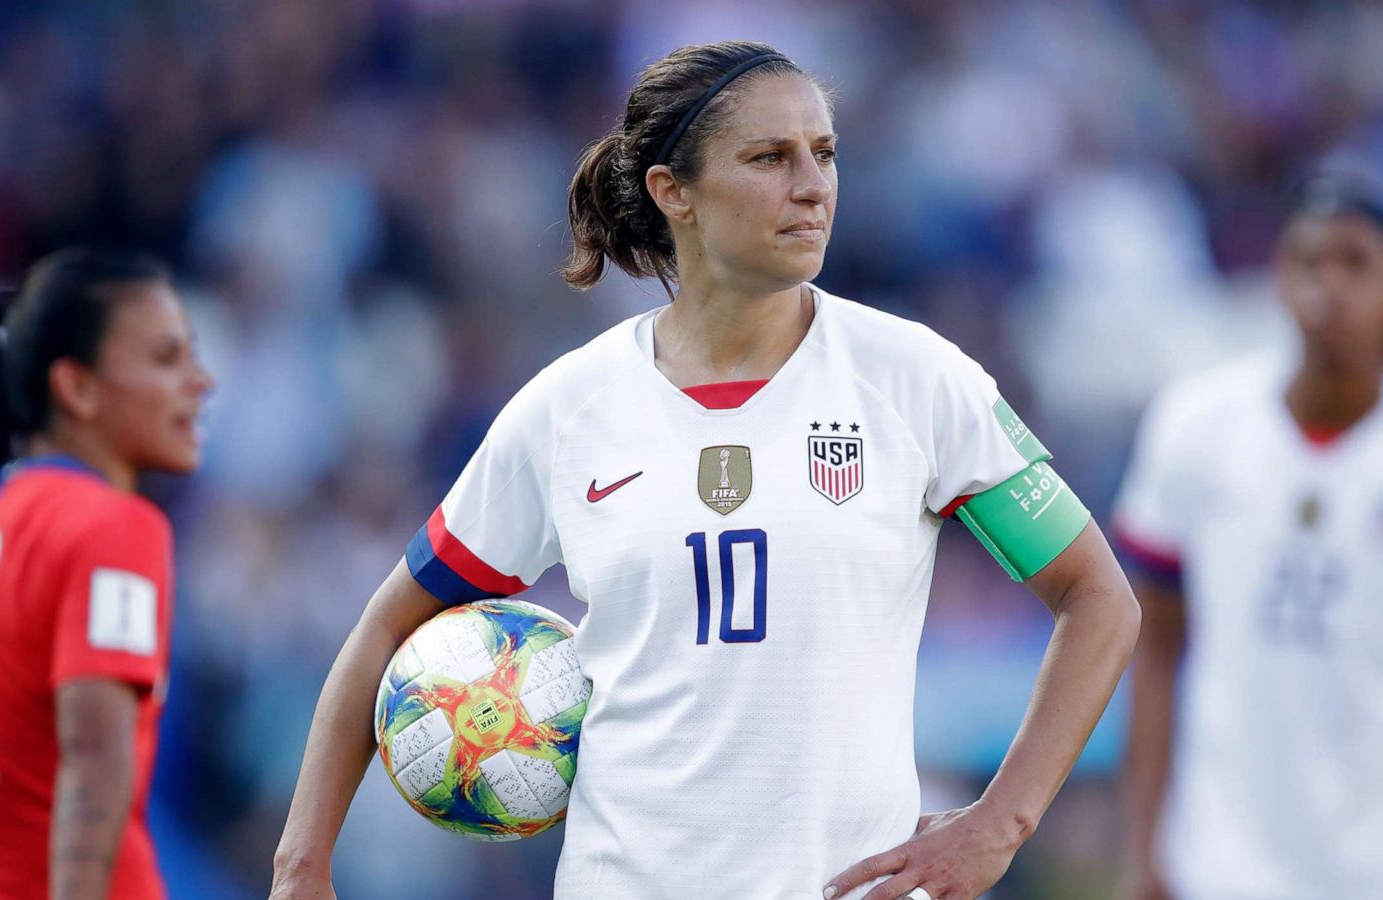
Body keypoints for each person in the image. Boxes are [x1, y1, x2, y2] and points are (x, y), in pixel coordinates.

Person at [270, 40, 1141, 900]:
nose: (813, 183)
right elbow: (385, 629)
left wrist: (1002, 822)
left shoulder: (914, 377)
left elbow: (1099, 598)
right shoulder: (569, 408)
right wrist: (301, 865)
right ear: (671, 190)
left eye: (825, 154)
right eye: (769, 157)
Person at [1117, 179, 1383, 900]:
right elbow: (1154, 650)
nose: (1329, 286)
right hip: (1222, 858)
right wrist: (1142, 851)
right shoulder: (1193, 427)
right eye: (1308, 262)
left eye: (1355, 263)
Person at [0, 249, 213, 900]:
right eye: (166, 359)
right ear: (76, 388)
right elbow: (95, 756)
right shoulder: (114, 528)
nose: (201, 381)